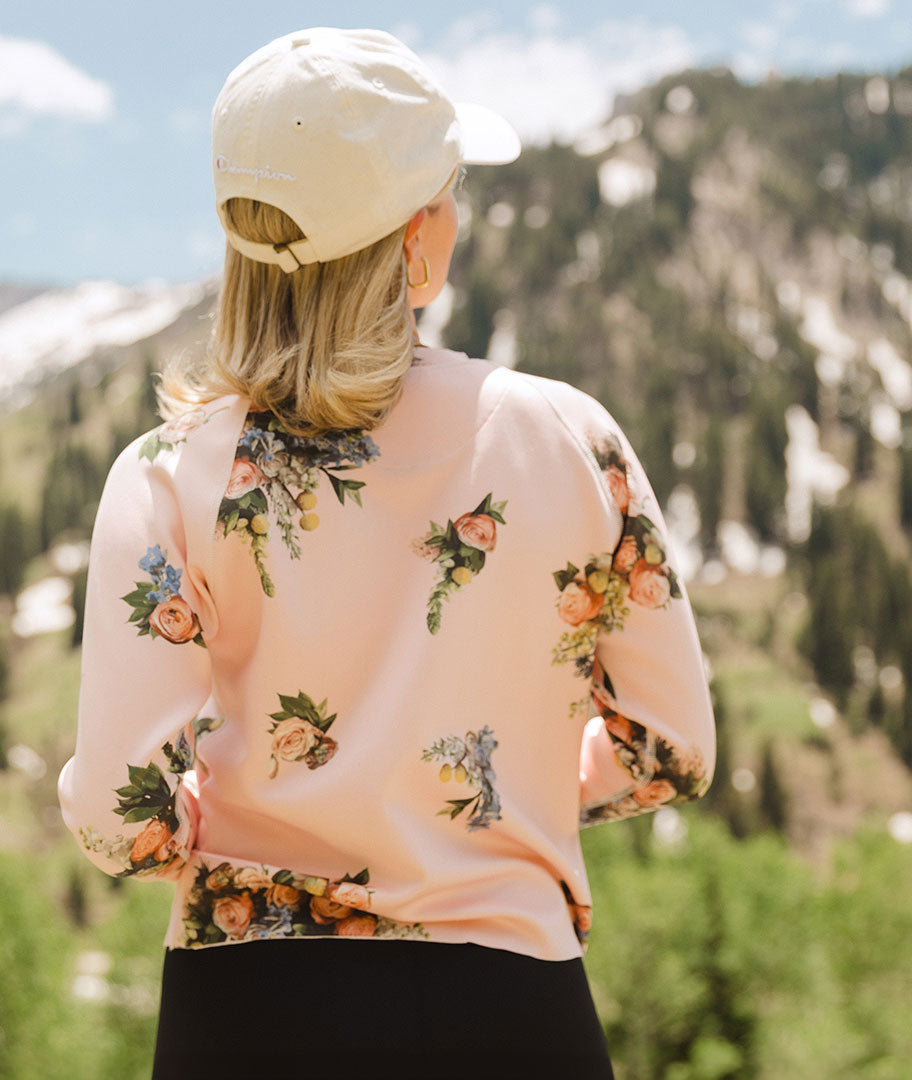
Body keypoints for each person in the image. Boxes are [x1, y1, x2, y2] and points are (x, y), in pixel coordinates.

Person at [58, 26, 715, 1077]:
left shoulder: (169, 474)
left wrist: (225, 822)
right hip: (512, 1009)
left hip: (247, 1016)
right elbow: (670, 748)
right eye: (450, 193)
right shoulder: (567, 437)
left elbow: (115, 820)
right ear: (415, 239)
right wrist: (495, 795)